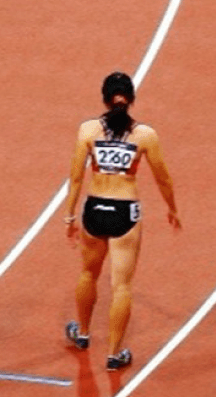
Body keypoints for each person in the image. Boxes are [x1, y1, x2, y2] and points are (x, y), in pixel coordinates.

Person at [62, 72, 180, 370]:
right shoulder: (144, 135)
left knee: (88, 273)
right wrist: (172, 208)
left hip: (94, 209)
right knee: (122, 286)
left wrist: (70, 214)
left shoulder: (88, 130)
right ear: (131, 100)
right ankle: (114, 354)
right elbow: (162, 178)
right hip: (124, 212)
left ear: (104, 98)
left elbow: (76, 177)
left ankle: (84, 333)